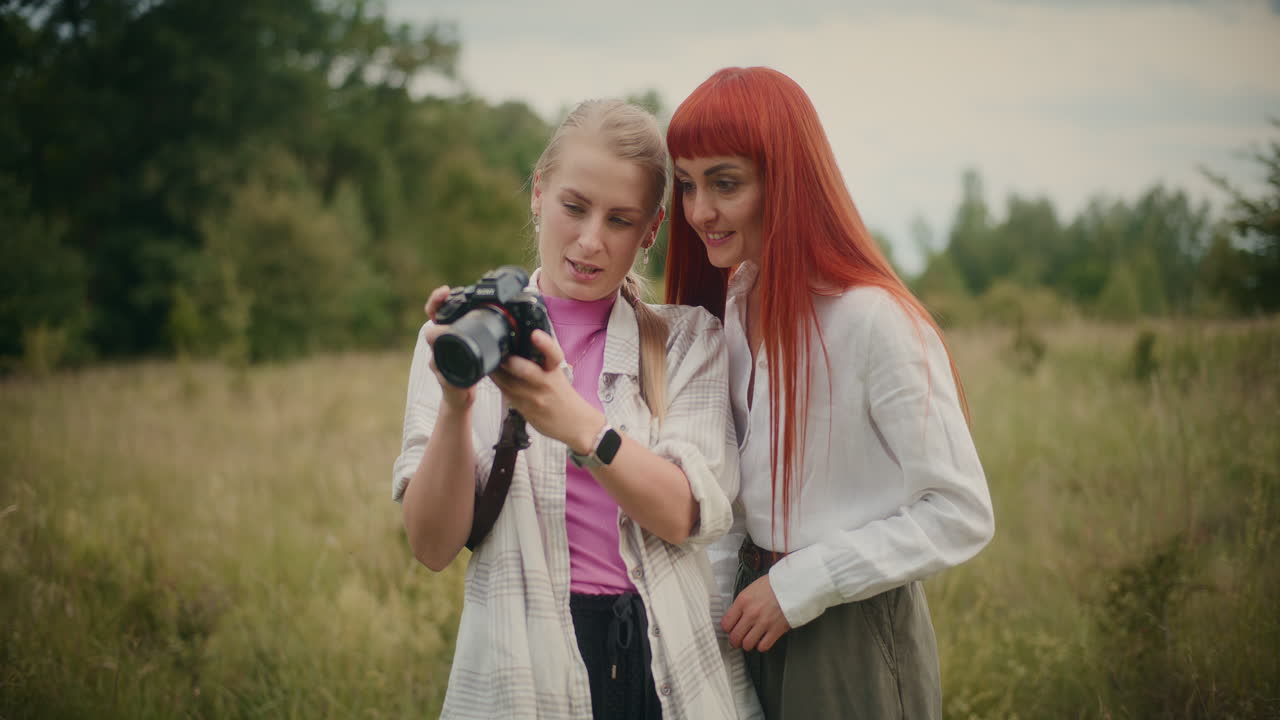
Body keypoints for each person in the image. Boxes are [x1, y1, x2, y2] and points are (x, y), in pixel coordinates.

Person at [392, 99, 761, 720]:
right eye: (574, 207)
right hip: (524, 663)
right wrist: (457, 405)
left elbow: (687, 514)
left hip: (665, 664)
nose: (590, 240)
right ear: (538, 193)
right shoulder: (465, 339)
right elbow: (431, 547)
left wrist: (578, 424)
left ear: (650, 230)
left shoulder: (687, 341)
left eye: (620, 221)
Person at [663, 66, 996, 719]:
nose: (699, 211)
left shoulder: (874, 319)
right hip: (749, 612)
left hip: (847, 628)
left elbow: (959, 511)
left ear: (785, 178)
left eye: (724, 183)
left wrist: (806, 582)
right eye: (686, 185)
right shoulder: (729, 312)